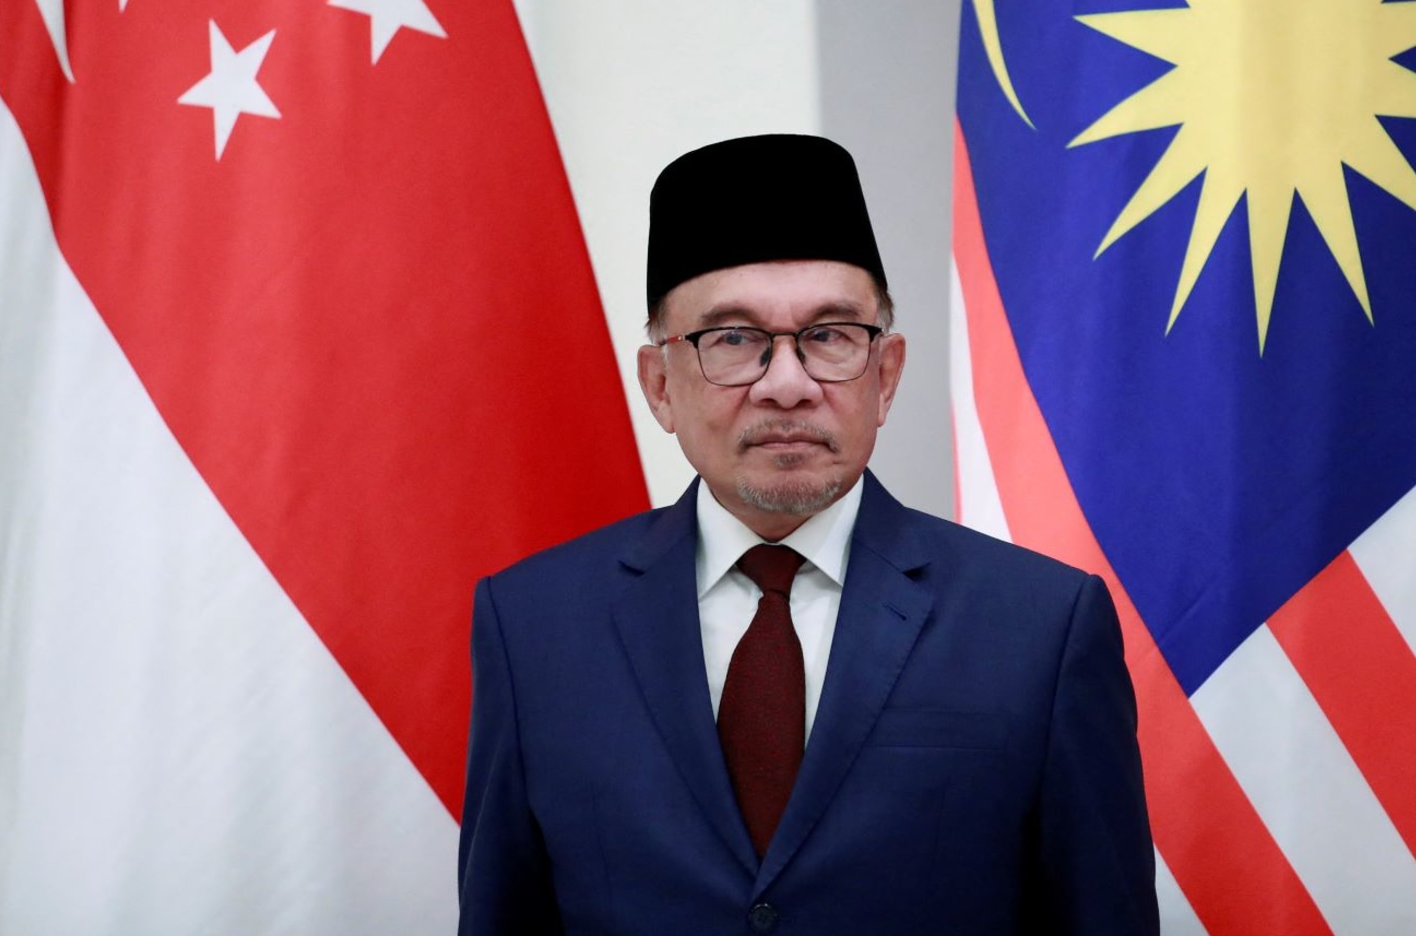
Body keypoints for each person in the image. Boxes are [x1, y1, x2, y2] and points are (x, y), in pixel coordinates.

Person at [456, 133, 1157, 935]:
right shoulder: (535, 626)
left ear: (885, 375)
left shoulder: (1040, 626)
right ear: (659, 386)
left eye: (829, 336)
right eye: (732, 339)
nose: (787, 386)